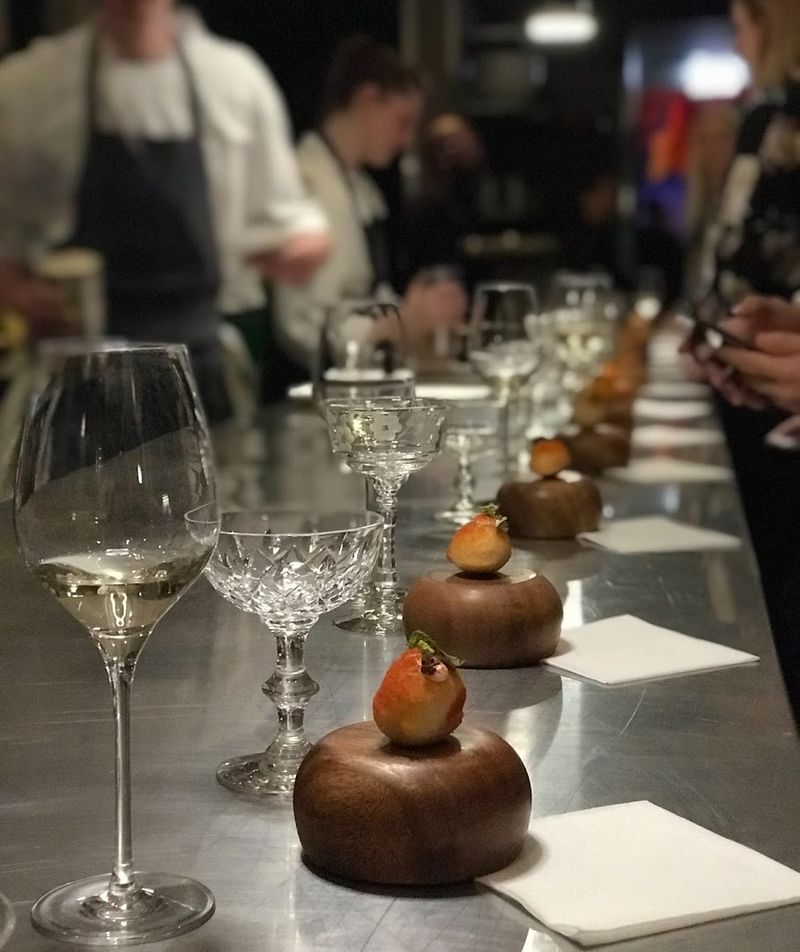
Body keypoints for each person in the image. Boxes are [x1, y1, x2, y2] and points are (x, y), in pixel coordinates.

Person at [0, 0, 330, 422]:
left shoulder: (234, 79)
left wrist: (300, 249)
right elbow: (7, 251)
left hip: (198, 375)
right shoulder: (29, 86)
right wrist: (22, 295)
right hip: (76, 386)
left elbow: (293, 224)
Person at [685, 0, 800, 722]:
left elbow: (739, 257)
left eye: (743, 20)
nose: (735, 37)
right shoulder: (776, 116)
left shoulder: (774, 122)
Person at [273, 35, 467, 373]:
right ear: (366, 100)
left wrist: (414, 317)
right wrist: (403, 322)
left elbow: (367, 296)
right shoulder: (306, 182)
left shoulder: (359, 189)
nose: (407, 140)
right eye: (403, 122)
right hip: (302, 389)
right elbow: (300, 328)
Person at [398, 112, 486, 290]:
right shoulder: (418, 197)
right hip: (431, 282)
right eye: (443, 145)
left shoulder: (470, 182)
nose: (450, 152)